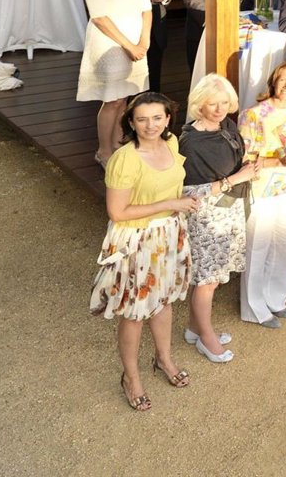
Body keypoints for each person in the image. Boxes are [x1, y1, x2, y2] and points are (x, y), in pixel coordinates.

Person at [90, 92, 197, 411]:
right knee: (135, 312)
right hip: (137, 239)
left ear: (168, 118)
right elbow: (117, 212)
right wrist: (170, 203)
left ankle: (164, 359)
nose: (151, 125)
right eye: (142, 119)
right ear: (131, 123)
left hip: (169, 234)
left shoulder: (172, 143)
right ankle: (131, 377)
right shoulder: (125, 159)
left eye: (157, 118)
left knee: (163, 301)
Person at [179, 74, 255, 364]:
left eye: (224, 102)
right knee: (207, 280)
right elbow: (189, 192)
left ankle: (194, 328)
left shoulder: (227, 126)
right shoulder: (191, 142)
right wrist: (237, 178)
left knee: (214, 276)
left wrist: (246, 168)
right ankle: (207, 338)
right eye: (212, 103)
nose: (220, 109)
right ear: (200, 104)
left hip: (229, 209)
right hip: (207, 216)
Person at [239, 61, 286, 327]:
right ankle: (253, 308)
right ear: (274, 80)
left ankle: (275, 298)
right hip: (262, 187)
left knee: (284, 243)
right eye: (283, 79)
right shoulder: (255, 114)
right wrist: (276, 161)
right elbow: (245, 158)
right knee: (258, 245)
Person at [77, 0, 152, 167]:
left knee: (125, 97)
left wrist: (144, 40)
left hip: (136, 40)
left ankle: (119, 146)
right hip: (109, 42)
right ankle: (104, 151)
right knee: (112, 100)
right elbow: (99, 16)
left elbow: (146, 8)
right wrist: (129, 46)